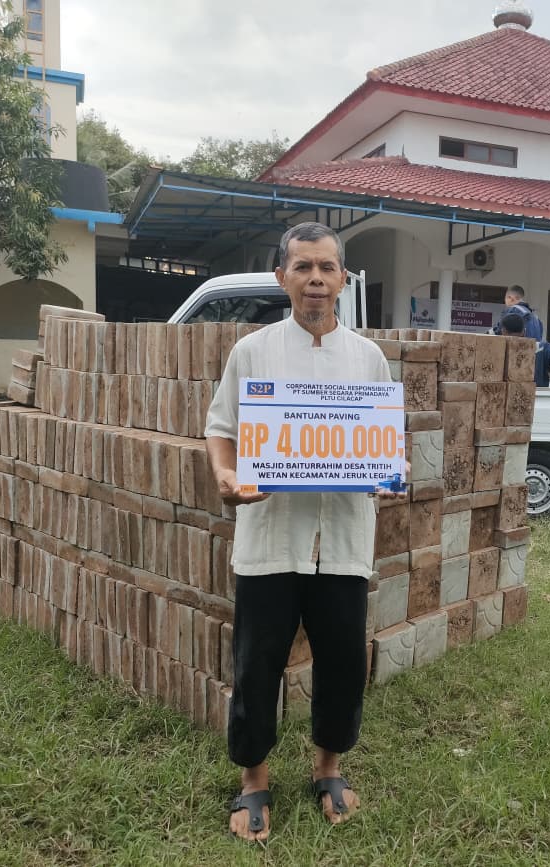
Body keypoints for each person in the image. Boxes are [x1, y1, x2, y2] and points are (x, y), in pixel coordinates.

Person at [205, 222, 405, 842]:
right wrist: (225, 475)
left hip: (343, 542)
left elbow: (382, 444)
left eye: (326, 268)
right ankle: (254, 781)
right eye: (303, 268)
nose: (315, 279)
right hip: (270, 540)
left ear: (343, 279)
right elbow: (220, 428)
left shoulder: (367, 357)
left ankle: (328, 770)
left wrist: (386, 473)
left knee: (344, 662)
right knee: (257, 664)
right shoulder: (254, 352)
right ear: (281, 278)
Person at [499, 311, 550, 387]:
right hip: (537, 397)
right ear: (524, 331)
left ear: (503, 331)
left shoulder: (497, 350)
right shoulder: (540, 348)